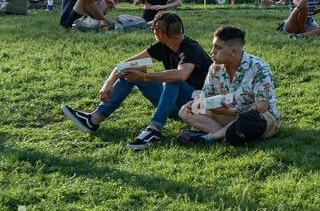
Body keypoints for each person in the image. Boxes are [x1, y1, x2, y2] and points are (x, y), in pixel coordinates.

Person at [60, 11, 212, 149]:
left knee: (173, 80)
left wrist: (145, 76)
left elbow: (181, 75)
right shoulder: (163, 45)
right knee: (131, 74)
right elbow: (126, 64)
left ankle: (154, 129)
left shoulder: (191, 48)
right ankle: (94, 119)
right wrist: (108, 83)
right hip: (175, 103)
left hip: (197, 107)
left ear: (158, 32)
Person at [178, 25, 280, 146]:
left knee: (249, 121)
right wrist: (197, 103)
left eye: (218, 48)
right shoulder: (214, 68)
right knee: (186, 111)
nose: (212, 52)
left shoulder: (259, 68)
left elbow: (262, 107)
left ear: (233, 51)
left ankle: (213, 136)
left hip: (259, 119)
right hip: (226, 114)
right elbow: (206, 97)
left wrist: (233, 111)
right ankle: (228, 134)